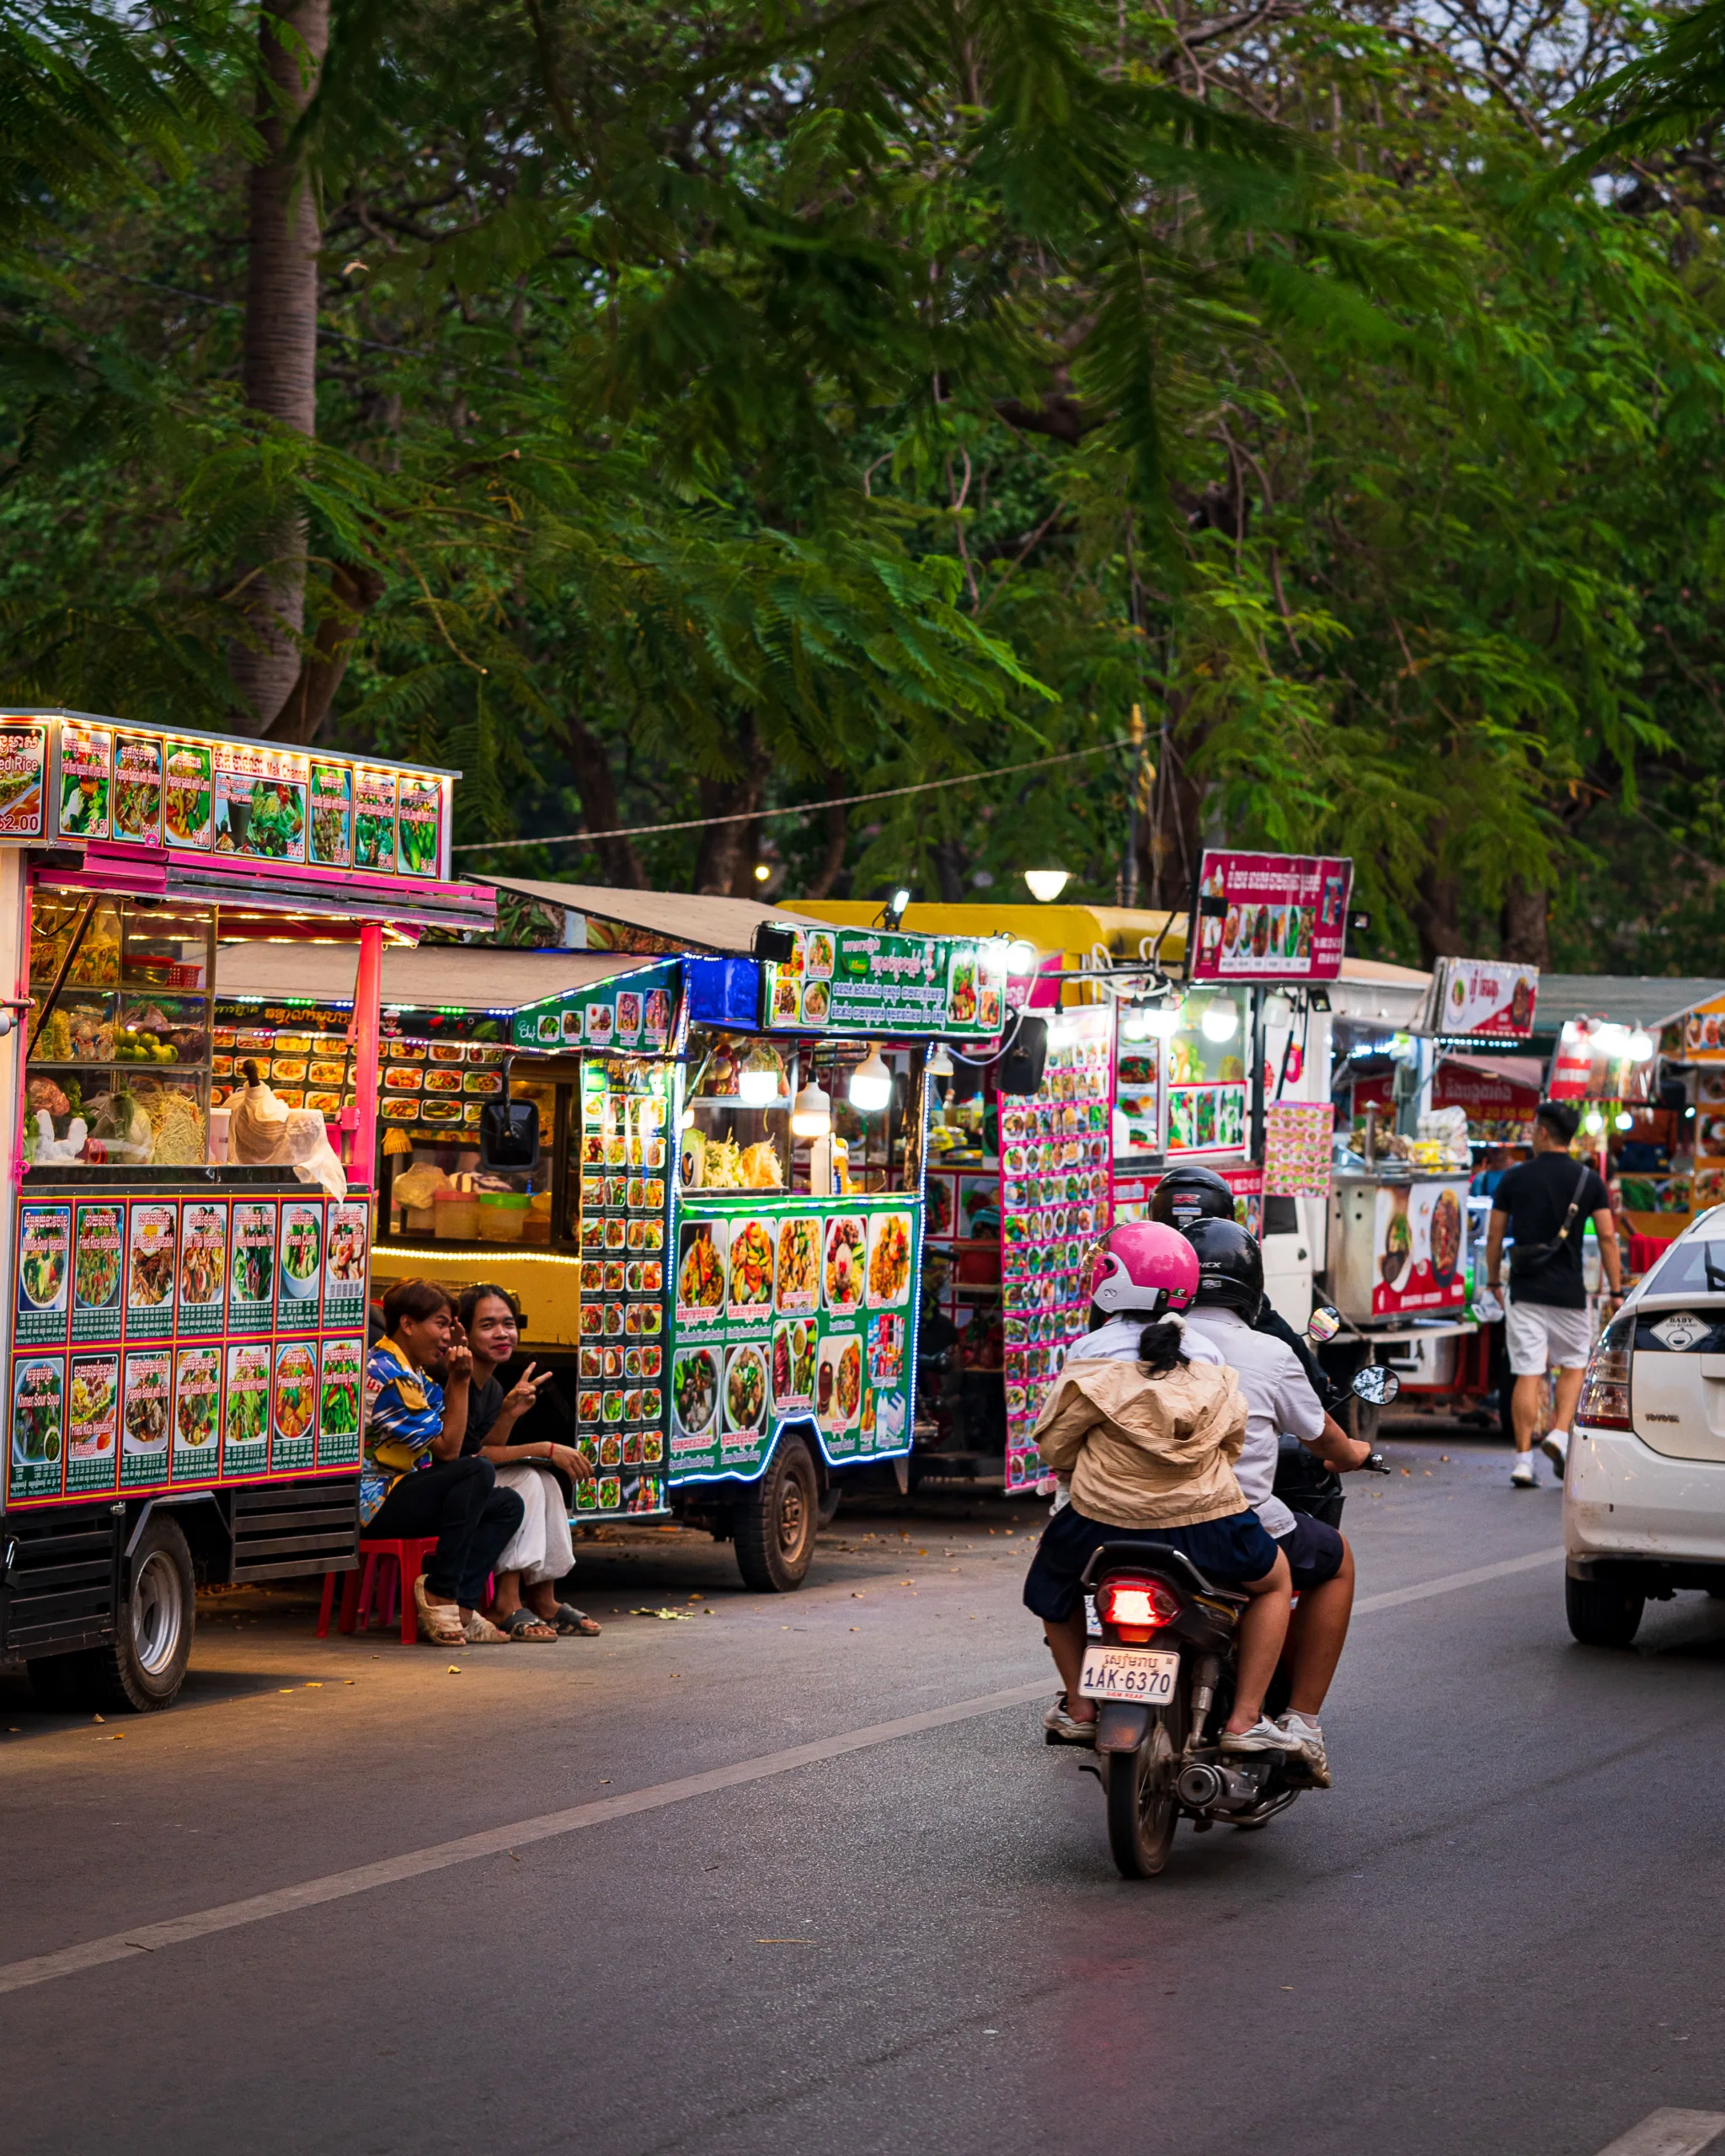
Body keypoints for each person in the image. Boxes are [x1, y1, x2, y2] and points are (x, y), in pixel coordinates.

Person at [1023, 1222, 1301, 1758]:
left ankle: (1079, 1707)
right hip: (1206, 1522)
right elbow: (1231, 1443)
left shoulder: (1089, 1351)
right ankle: (1246, 1720)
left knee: (1050, 1585)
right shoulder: (1207, 1354)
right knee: (1274, 1583)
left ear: (1114, 1282)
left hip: (1100, 1523)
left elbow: (1056, 1447)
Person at [1180, 1215, 1371, 1787]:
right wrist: (1354, 1452)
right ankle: (1293, 1720)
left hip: (1121, 1520)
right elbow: (1324, 1438)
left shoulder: (1137, 1341)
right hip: (1227, 1524)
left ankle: (1078, 1700)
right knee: (1327, 1562)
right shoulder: (1268, 1350)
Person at [362, 1278, 525, 1647]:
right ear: (407, 1324)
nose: (447, 1335)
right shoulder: (389, 1374)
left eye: (450, 1325)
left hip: (403, 1488)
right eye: (440, 1324)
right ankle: (440, 1593)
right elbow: (449, 1450)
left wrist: (460, 1378)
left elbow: (451, 1428)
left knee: (507, 1505)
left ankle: (462, 1607)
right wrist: (461, 1378)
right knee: (475, 1470)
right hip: (374, 1502)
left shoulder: (414, 1371)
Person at [1485, 1098, 1623, 1487]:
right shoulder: (1589, 1180)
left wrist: (1493, 1281)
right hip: (1569, 1293)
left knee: (1528, 1372)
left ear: (1543, 1132)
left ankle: (1523, 1461)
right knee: (1574, 1364)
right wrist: (1616, 1290)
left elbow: (1495, 1235)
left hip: (1525, 1289)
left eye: (1533, 1128)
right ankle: (1559, 1434)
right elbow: (1608, 1237)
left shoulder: (1513, 1178)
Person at [455, 1283, 601, 1641]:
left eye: (508, 1323)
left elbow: (487, 1447)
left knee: (546, 1482)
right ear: (464, 1332)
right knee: (526, 1481)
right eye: (487, 1325)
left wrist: (508, 1412)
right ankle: (505, 1602)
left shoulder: (490, 1385)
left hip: (469, 1479)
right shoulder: (454, 1377)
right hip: (441, 1483)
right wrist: (547, 1448)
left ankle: (543, 1599)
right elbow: (470, 1456)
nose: (502, 1333)